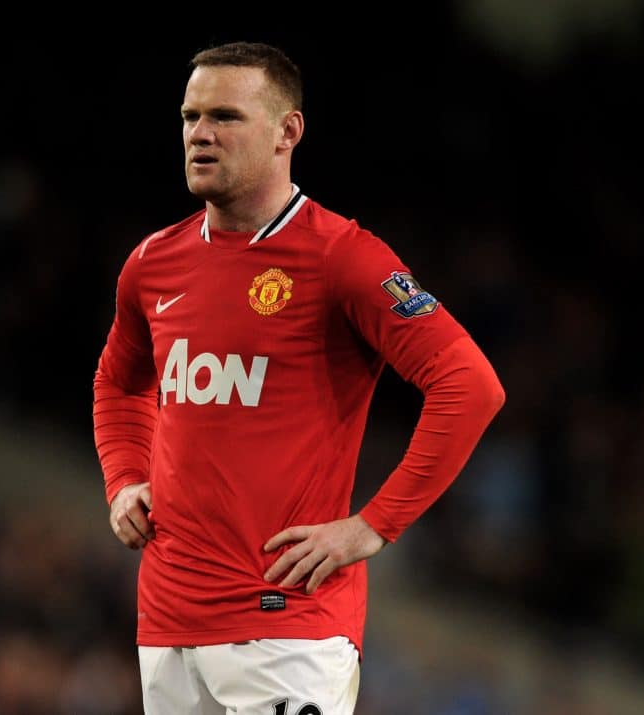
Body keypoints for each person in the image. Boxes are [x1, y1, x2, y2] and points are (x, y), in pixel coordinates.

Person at [92, 40, 505, 715]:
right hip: (167, 623)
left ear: (289, 131)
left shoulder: (343, 257)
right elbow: (118, 382)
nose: (199, 133)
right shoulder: (152, 263)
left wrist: (372, 526)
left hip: (287, 622)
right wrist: (122, 478)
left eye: (225, 116)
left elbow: (470, 383)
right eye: (190, 116)